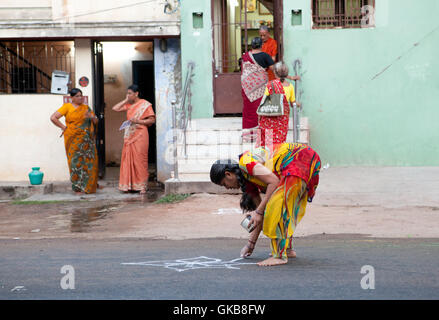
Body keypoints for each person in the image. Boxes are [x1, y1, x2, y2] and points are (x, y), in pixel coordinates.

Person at [210, 143, 321, 266]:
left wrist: (259, 212)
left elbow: (273, 181)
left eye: (224, 184)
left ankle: (279, 256)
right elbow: (259, 216)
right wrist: (250, 244)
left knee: (275, 207)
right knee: (279, 207)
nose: (226, 188)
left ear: (228, 174)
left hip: (299, 158)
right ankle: (287, 249)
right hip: (300, 162)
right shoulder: (248, 182)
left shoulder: (245, 163)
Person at [50, 88, 99, 194]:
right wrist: (64, 127)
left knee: (89, 162)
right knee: (75, 162)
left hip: (87, 140)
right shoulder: (67, 107)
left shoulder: (86, 108)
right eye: (77, 96)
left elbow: (95, 121)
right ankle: (77, 188)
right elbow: (53, 118)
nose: (80, 97)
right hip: (73, 138)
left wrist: (93, 116)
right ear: (71, 98)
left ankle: (89, 186)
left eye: (81, 95)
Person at [112, 84, 155, 194]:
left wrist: (139, 121)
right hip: (129, 135)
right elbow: (115, 108)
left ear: (136, 94)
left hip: (140, 135)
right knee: (128, 159)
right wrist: (126, 99)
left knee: (140, 160)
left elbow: (152, 120)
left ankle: (142, 186)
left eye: (130, 93)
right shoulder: (129, 105)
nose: (128, 95)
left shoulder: (145, 105)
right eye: (127, 93)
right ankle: (130, 185)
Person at [257, 61, 297, 147]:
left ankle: (269, 159)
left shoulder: (270, 85)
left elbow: (263, 102)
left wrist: (259, 117)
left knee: (268, 143)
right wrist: (298, 104)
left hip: (269, 119)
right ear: (286, 74)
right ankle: (277, 158)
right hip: (282, 121)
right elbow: (292, 103)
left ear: (275, 72)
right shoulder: (290, 86)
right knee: (279, 142)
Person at [241, 37, 275, 133]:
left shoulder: (245, 56)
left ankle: (247, 133)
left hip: (247, 87)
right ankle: (259, 132)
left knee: (248, 109)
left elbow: (244, 70)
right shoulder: (265, 56)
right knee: (260, 107)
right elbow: (274, 69)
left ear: (251, 45)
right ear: (262, 45)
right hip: (260, 87)